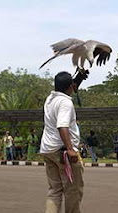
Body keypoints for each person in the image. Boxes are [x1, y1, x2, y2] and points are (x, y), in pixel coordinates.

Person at [40, 71, 84, 213]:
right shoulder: (66, 103)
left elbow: (65, 89)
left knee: (55, 190)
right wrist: (70, 149)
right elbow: (62, 126)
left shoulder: (50, 99)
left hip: (48, 150)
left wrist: (76, 80)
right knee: (72, 190)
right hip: (62, 151)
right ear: (71, 86)